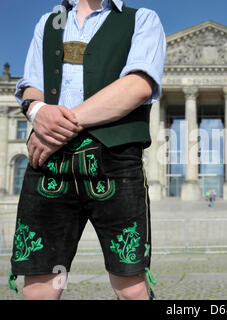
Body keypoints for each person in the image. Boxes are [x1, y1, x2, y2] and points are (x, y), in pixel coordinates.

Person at [8, 0, 166, 300]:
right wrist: (38, 111)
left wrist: (56, 127)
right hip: (48, 165)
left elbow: (138, 85)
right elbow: (30, 85)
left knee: (130, 285)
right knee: (39, 286)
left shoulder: (143, 19)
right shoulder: (49, 22)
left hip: (113, 161)